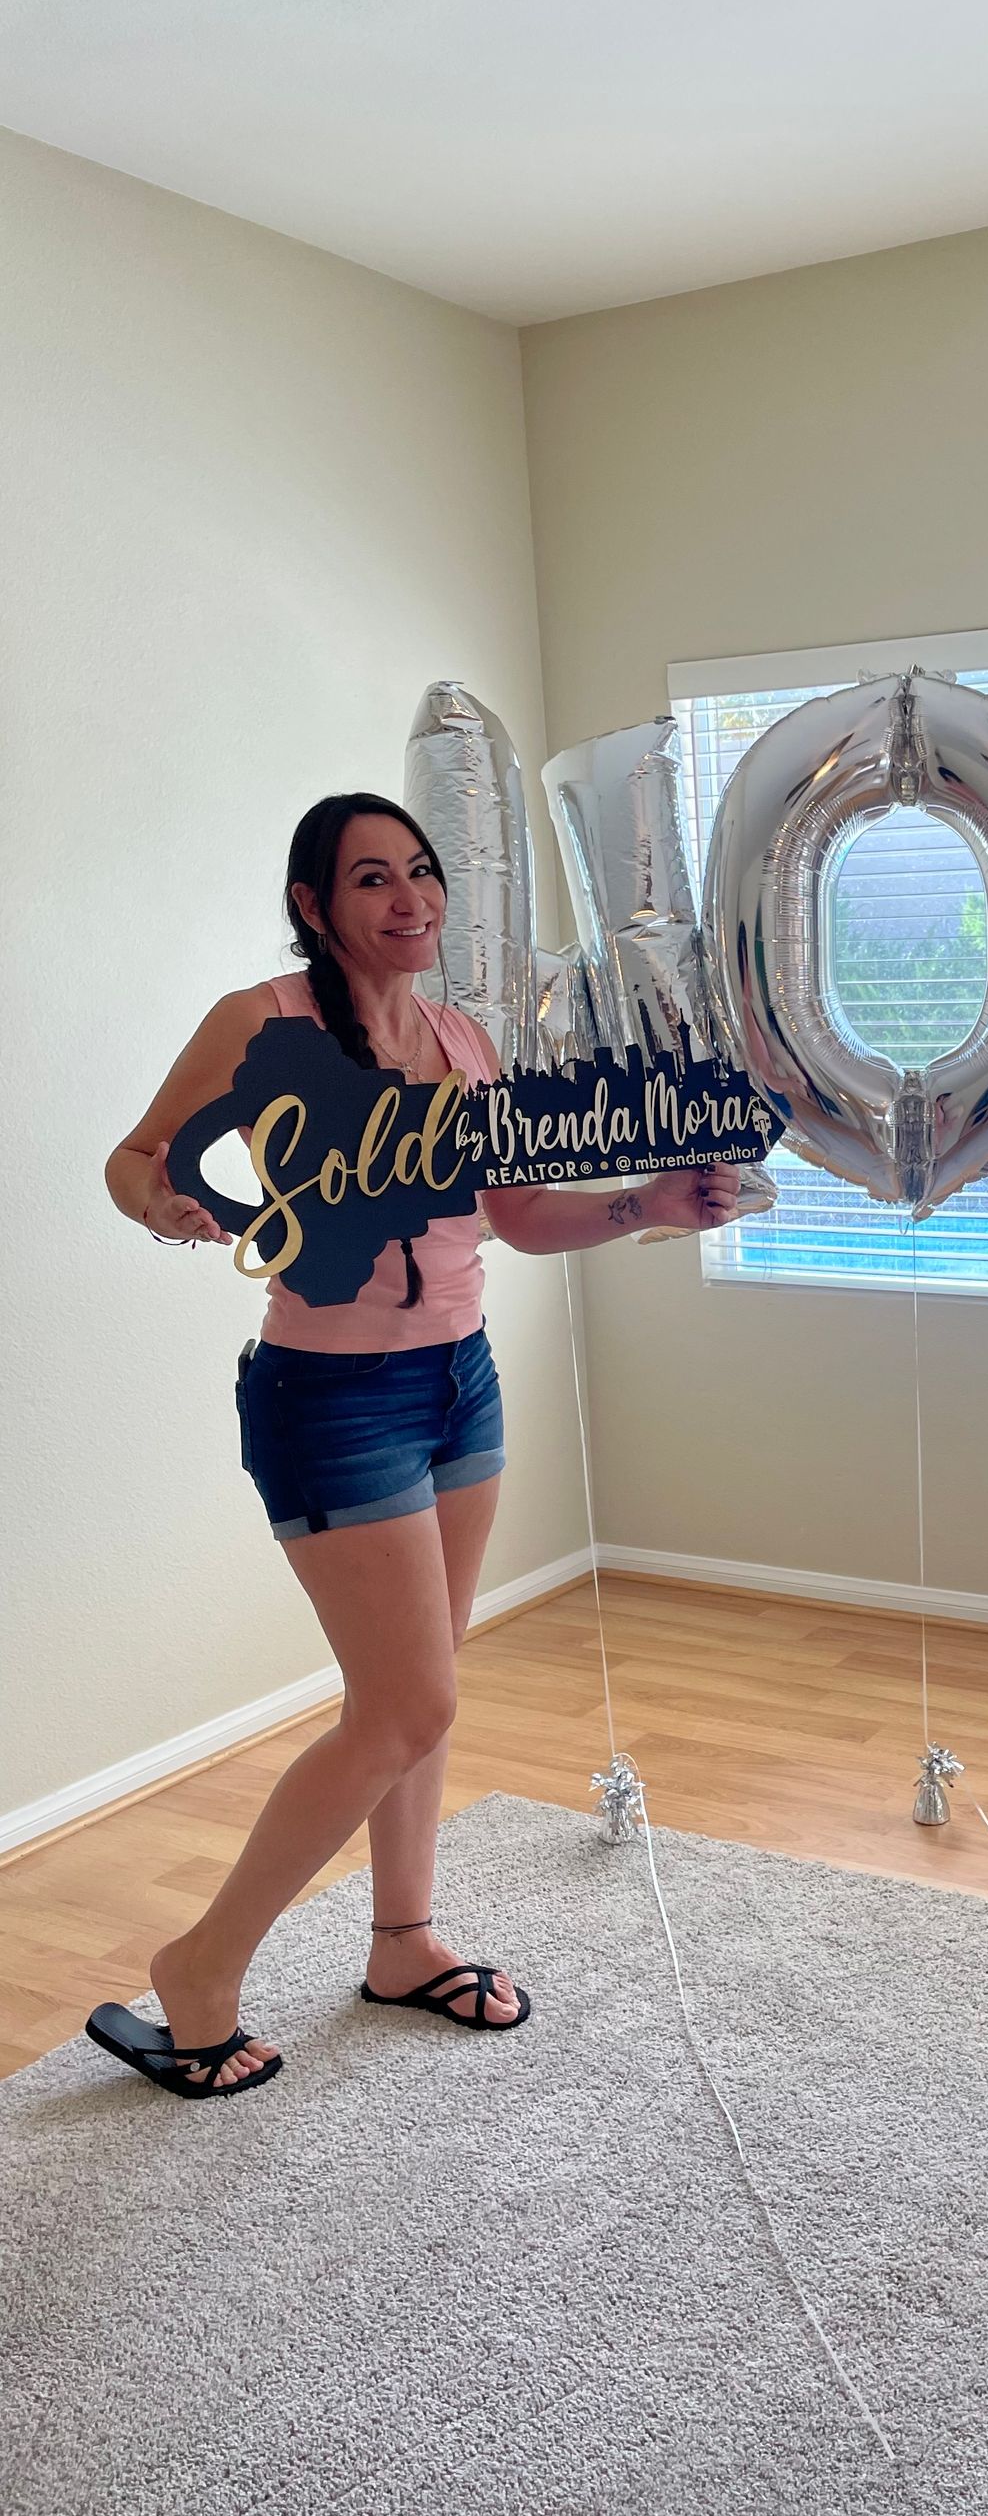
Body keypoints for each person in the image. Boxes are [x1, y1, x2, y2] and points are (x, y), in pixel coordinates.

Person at [90, 792, 741, 2100]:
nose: (412, 900)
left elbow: (516, 1219)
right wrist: (165, 1201)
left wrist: (647, 1205)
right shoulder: (260, 1022)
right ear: (313, 905)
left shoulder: (460, 1040)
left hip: (459, 1380)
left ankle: (402, 1944)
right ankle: (199, 1967)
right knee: (410, 1704)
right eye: (374, 878)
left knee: (419, 1687)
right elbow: (137, 1155)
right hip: (333, 1398)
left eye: (423, 873)